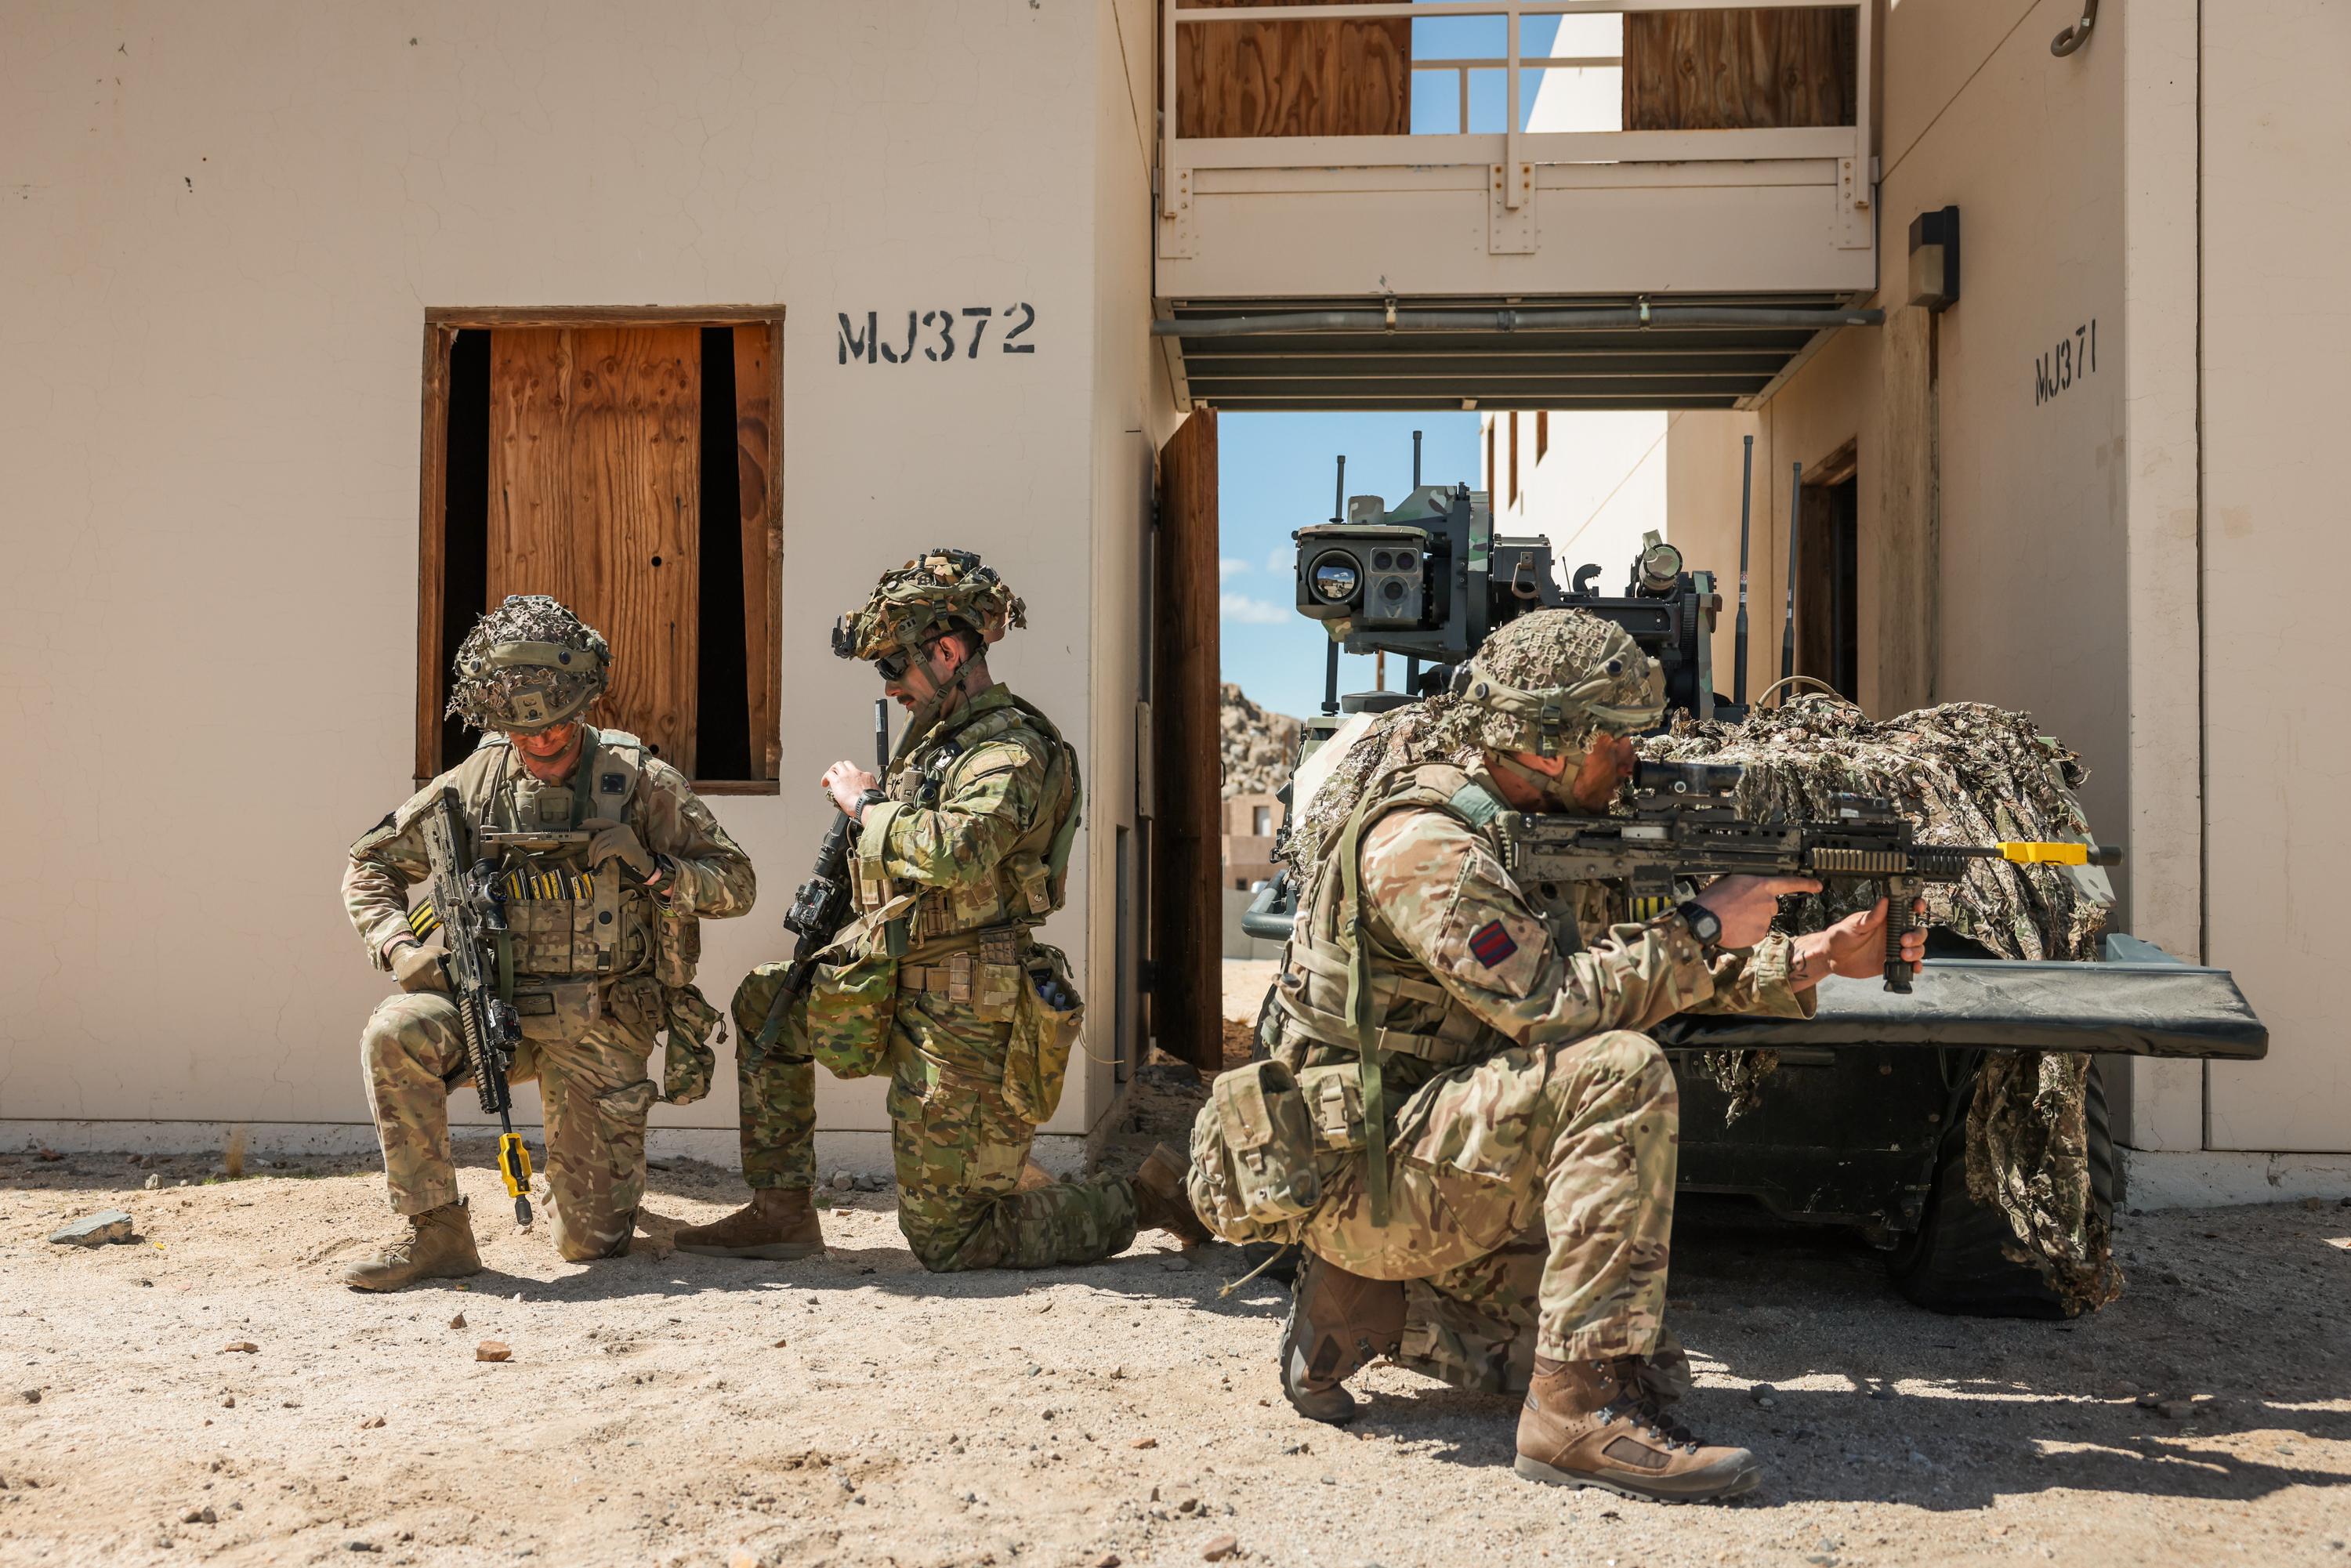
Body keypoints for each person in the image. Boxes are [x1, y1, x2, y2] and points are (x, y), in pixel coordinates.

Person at [1251, 608, 1924, 1503]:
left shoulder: (1537, 832)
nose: (1636, 761)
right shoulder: (1425, 847)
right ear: (1545, 742)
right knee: (1620, 1070)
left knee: (1651, 1370)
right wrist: (1699, 922)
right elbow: (1551, 1004)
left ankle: (1357, 1308)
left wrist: (1816, 958)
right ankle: (1567, 1419)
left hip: (1423, 1151)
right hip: (1361, 1174)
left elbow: (1629, 969)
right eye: (1620, 740)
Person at [676, 549, 1205, 1269]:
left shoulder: (1014, 748)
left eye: (897, 666)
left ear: (949, 651)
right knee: (770, 1008)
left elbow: (957, 850)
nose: (892, 688)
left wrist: (867, 805)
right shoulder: (940, 747)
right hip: (891, 976)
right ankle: (782, 1214)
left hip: (967, 1009)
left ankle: (1144, 1198)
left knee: (951, 1239)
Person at [340, 595, 755, 1287]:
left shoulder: (639, 784)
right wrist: (399, 949)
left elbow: (737, 883)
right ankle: (437, 1229)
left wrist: (653, 871)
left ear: (584, 703)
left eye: (557, 726)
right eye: (521, 731)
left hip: (603, 1020)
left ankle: (598, 1186)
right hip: (495, 1010)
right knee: (393, 1031)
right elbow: (368, 863)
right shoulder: (473, 785)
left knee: (588, 1245)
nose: (541, 744)